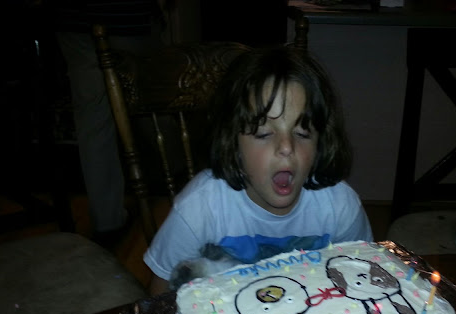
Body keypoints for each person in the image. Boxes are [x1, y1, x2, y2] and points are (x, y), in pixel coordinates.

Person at [144, 46, 374, 295]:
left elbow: (364, 278)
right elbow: (159, 293)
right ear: (233, 143)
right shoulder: (199, 208)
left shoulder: (340, 207)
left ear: (321, 143)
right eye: (263, 133)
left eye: (302, 133)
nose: (286, 147)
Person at [50, 0, 166, 244]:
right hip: (125, 15)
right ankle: (178, 182)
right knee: (154, 98)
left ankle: (107, 219)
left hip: (75, 18)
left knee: (93, 119)